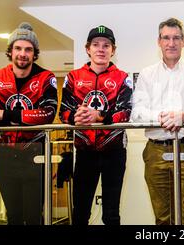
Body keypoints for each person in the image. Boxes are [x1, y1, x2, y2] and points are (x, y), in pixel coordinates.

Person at [0, 22, 58, 225]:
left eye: (28, 49)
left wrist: (3, 116)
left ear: (35, 53)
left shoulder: (46, 78)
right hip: (6, 154)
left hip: (36, 153)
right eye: (18, 48)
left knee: (34, 217)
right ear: (10, 51)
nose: (22, 54)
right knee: (13, 217)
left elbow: (48, 114)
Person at [131, 17, 184, 225]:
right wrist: (160, 118)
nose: (171, 43)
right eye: (166, 38)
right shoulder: (147, 75)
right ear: (159, 42)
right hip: (156, 151)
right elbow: (137, 112)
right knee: (162, 218)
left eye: (176, 38)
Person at [60, 25, 132, 225]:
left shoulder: (123, 77)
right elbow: (62, 112)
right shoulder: (73, 77)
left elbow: (126, 113)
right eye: (96, 44)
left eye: (106, 45)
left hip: (114, 151)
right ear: (87, 49)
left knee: (111, 213)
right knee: (81, 212)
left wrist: (99, 116)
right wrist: (76, 116)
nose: (101, 49)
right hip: (84, 152)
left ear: (113, 50)